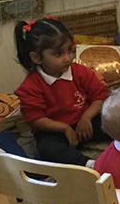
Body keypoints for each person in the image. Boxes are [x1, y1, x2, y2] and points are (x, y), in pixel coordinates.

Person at [14, 16, 109, 168]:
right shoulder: (30, 86)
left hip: (86, 122)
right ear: (36, 57)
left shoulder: (80, 71)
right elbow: (35, 119)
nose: (67, 58)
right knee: (47, 149)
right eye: (58, 54)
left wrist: (86, 117)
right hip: (55, 131)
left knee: (115, 120)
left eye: (69, 50)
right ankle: (88, 164)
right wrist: (64, 128)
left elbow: (100, 96)